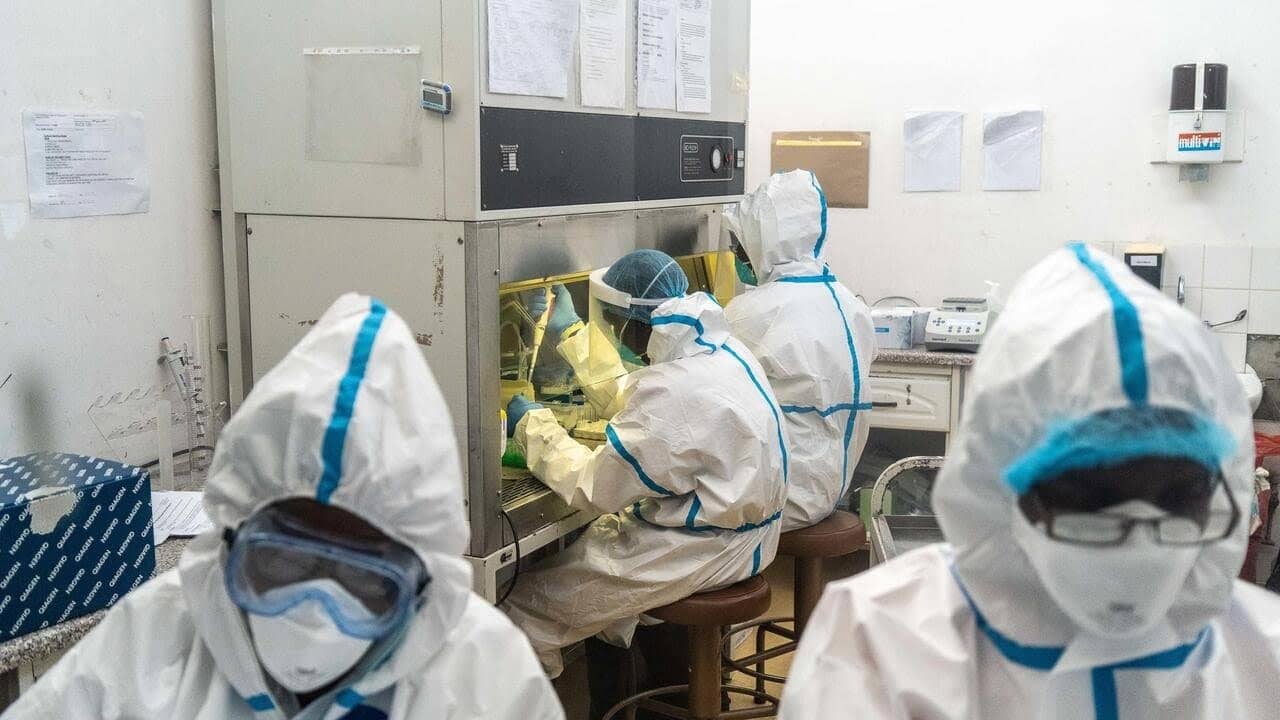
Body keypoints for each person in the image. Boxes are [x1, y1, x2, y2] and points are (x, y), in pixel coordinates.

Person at [779, 243, 1280, 719]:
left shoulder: (1263, 655)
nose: (1142, 544)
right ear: (1001, 492)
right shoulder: (880, 645)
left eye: (1177, 498)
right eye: (1091, 500)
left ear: (1223, 492)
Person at [5, 294, 564, 719]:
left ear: (421, 585)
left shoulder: (487, 682)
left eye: (364, 581)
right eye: (281, 562)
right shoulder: (149, 646)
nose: (315, 614)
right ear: (230, 540)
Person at [502, 249, 789, 684]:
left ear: (629, 323)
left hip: (699, 551)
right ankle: (630, 705)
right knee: (605, 605)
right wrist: (574, 334)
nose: (614, 334)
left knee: (521, 608)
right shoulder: (718, 350)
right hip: (745, 538)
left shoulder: (676, 388)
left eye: (612, 323)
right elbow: (647, 406)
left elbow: (594, 486)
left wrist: (531, 426)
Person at [724, 170, 877, 530]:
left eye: (741, 244)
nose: (737, 255)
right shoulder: (849, 303)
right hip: (831, 485)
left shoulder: (752, 312)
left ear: (763, 241)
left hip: (784, 494)